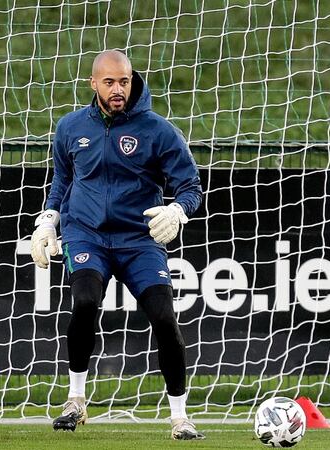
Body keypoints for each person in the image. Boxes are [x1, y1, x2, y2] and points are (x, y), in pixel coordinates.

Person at [31, 50, 204, 440]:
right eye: (109, 82)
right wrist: (47, 221)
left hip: (138, 240)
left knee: (163, 316)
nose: (117, 89)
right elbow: (62, 181)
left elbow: (190, 186)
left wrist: (177, 211)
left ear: (132, 81)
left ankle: (180, 416)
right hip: (86, 234)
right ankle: (75, 400)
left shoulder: (159, 131)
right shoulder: (71, 127)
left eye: (123, 81)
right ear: (93, 83)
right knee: (86, 300)